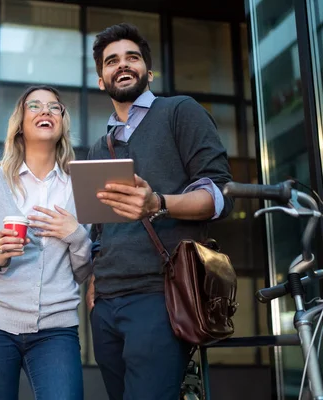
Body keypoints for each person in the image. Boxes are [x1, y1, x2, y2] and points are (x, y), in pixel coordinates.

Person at [86, 23, 234, 400]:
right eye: (111, 61)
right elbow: (99, 229)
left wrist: (159, 204)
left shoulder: (179, 111)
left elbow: (219, 195)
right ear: (101, 80)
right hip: (105, 304)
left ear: (147, 73)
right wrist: (93, 285)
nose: (122, 65)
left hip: (160, 295)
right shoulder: (98, 149)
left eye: (132, 57)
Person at [0, 85, 92, 400]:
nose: (45, 111)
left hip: (56, 331)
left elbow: (83, 272)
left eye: (54, 107)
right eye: (35, 105)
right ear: (20, 123)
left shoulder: (78, 188)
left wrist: (76, 234)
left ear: (61, 122)